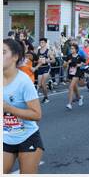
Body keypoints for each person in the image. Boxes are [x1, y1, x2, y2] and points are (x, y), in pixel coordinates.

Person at [3, 39, 44, 174]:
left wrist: (9, 108)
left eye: (3, 52)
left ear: (15, 57)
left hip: (27, 138)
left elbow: (37, 115)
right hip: (6, 138)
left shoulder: (23, 81)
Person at [64, 44, 86, 110]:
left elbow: (85, 62)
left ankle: (69, 104)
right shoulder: (69, 56)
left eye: (73, 48)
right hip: (70, 73)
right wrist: (67, 62)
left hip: (77, 73)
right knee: (74, 87)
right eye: (71, 48)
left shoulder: (79, 57)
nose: (71, 50)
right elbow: (64, 66)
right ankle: (79, 97)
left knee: (71, 87)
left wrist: (80, 64)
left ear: (76, 50)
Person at [36, 38, 55, 104]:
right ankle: (49, 84)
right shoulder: (37, 51)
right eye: (40, 42)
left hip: (46, 68)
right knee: (40, 85)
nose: (41, 44)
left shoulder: (48, 51)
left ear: (45, 43)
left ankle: (46, 98)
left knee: (43, 83)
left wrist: (47, 60)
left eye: (43, 42)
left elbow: (53, 60)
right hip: (40, 68)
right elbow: (35, 59)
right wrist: (37, 61)